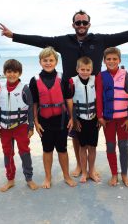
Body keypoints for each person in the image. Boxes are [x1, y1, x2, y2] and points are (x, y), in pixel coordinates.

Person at [0, 10, 128, 175]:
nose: (81, 25)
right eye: (78, 22)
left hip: (94, 92)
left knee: (92, 131)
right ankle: (79, 164)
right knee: (76, 132)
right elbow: (40, 40)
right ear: (73, 25)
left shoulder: (99, 39)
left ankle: (90, 167)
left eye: (85, 22)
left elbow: (124, 36)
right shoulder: (64, 41)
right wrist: (13, 35)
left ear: (89, 24)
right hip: (71, 93)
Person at [29, 47, 77, 188]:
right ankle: (48, 178)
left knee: (62, 149)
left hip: (61, 120)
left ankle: (66, 176)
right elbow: (34, 103)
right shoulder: (34, 80)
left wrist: (72, 118)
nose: (48, 63)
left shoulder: (63, 78)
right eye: (45, 60)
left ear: (56, 61)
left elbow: (69, 100)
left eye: (51, 60)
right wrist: (35, 122)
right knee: (47, 149)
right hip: (44, 121)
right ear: (40, 62)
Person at [0, 59, 38, 192]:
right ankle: (10, 179)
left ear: (19, 73)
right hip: (4, 128)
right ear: (4, 73)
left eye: (15, 72)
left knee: (24, 152)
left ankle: (29, 178)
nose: (12, 74)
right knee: (7, 153)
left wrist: (31, 127)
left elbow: (30, 108)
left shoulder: (25, 89)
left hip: (21, 127)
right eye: (9, 72)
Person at [95, 47, 128, 187]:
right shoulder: (100, 76)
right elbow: (98, 97)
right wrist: (99, 116)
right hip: (108, 120)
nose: (111, 61)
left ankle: (124, 174)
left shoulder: (125, 74)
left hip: (123, 119)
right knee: (110, 146)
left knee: (123, 146)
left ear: (119, 60)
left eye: (114, 59)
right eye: (108, 59)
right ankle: (114, 174)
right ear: (104, 61)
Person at [71, 56, 100, 183]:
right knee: (82, 147)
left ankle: (91, 170)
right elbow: (70, 102)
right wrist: (74, 119)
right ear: (77, 69)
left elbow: (100, 99)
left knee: (92, 147)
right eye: (82, 69)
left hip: (94, 119)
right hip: (80, 120)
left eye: (88, 69)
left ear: (92, 70)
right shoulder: (72, 81)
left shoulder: (95, 80)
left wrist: (100, 117)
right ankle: (84, 172)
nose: (85, 72)